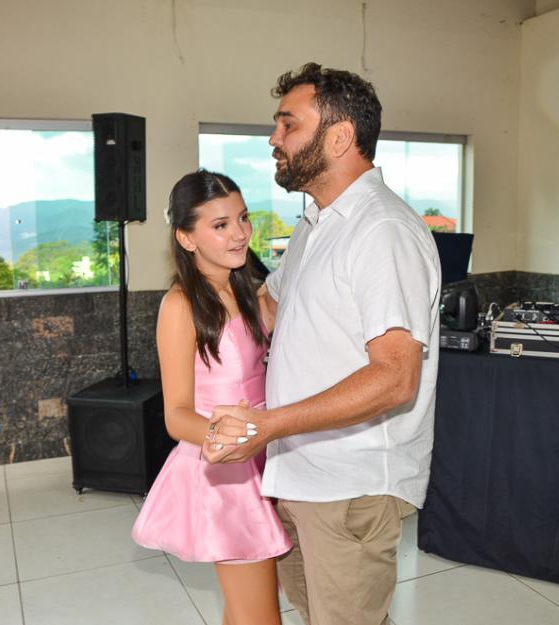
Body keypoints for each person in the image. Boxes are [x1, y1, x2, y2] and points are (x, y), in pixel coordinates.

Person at [203, 63, 442, 625]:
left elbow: (395, 377)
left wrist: (269, 425)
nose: (274, 138)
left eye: (288, 124)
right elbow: (268, 309)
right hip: (301, 471)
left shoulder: (381, 230)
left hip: (350, 483)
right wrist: (202, 272)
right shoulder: (318, 223)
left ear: (339, 137)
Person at [131, 170, 292, 625]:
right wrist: (232, 436)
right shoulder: (181, 305)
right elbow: (177, 415)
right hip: (230, 472)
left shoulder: (245, 290)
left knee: (246, 610)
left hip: (266, 452)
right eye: (220, 225)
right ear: (186, 238)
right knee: (260, 617)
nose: (239, 233)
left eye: (242, 218)